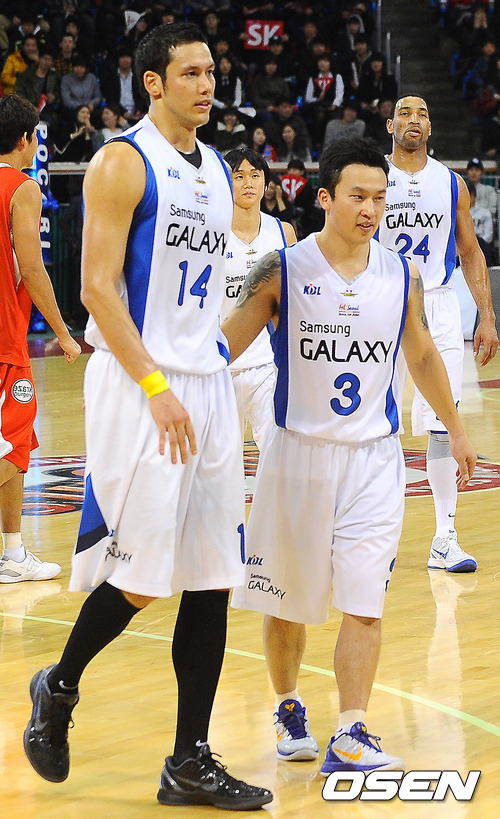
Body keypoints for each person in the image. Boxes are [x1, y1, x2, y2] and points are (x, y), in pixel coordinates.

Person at [22, 22, 272, 812]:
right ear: (153, 81)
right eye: (190, 72)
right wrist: (158, 383)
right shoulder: (122, 161)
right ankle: (59, 685)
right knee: (139, 577)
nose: (207, 84)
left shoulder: (219, 170)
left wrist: (224, 349)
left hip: (204, 383)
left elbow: (203, 296)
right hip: (141, 383)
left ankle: (189, 758)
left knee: (214, 575)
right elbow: (97, 288)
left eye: (211, 72)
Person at [221, 136, 477, 774]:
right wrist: (160, 389)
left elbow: (422, 353)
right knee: (287, 602)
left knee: (365, 603)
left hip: (373, 459)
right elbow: (223, 346)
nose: (370, 209)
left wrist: (455, 428)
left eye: (380, 198)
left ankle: (351, 730)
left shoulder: (402, 274)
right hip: (297, 456)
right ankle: (287, 705)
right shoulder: (282, 269)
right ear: (325, 197)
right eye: (357, 196)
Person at [377, 95, 498, 572]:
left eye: (423, 114)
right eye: (405, 113)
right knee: (374, 424)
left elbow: (470, 252)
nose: (414, 120)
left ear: (431, 129)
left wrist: (486, 316)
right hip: (382, 301)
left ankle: (445, 537)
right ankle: (373, 535)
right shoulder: (372, 175)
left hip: (439, 304)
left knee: (444, 424)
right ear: (390, 125)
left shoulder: (451, 184)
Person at [0, 94, 81, 585]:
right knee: (12, 446)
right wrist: (64, 334)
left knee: (14, 446)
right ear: (27, 139)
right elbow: (32, 269)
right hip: (5, 340)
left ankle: (12, 552)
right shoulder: (22, 186)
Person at [221, 148, 295, 448]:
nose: (248, 183)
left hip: (268, 364)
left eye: (255, 175)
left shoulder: (283, 232)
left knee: (277, 452)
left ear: (266, 183)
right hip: (219, 363)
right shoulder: (210, 233)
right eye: (238, 176)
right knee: (221, 461)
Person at [467, 180, 495, 265]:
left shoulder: (484, 213)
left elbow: (488, 236)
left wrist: (475, 243)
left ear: (474, 196)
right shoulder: (455, 214)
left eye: (469, 195)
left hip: (481, 245)